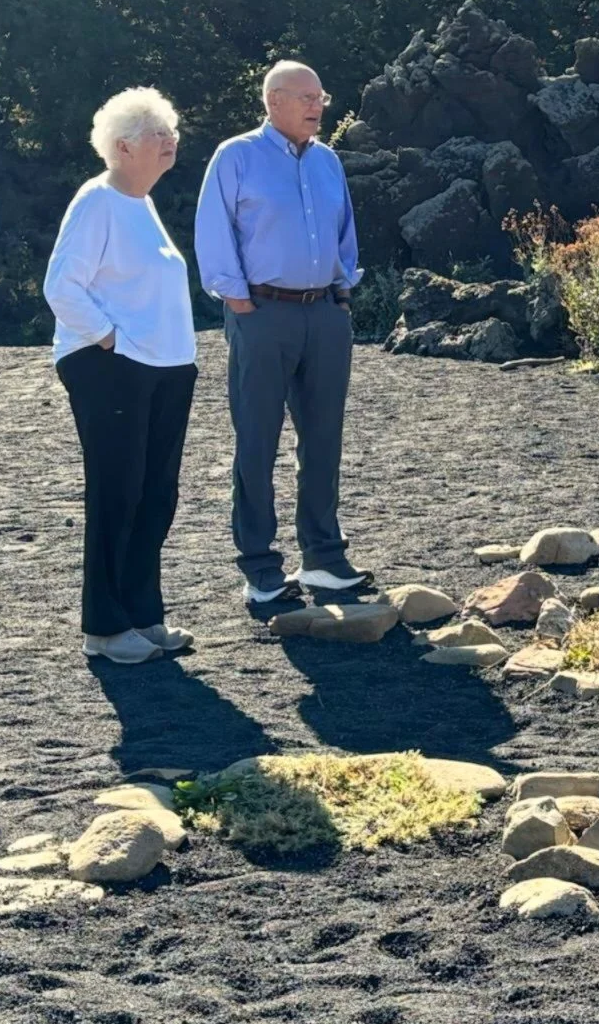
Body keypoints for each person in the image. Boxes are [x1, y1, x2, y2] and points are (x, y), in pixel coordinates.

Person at [194, 60, 366, 606]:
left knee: (324, 439)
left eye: (321, 97)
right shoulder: (236, 156)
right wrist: (238, 298)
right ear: (273, 100)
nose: (318, 107)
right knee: (257, 440)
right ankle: (261, 568)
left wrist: (342, 292)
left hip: (324, 315)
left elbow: (344, 233)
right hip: (261, 313)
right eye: (306, 98)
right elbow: (212, 229)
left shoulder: (329, 161)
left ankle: (323, 558)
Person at [43, 88, 200, 666]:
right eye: (157, 132)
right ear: (123, 146)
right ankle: (105, 629)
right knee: (119, 491)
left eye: (170, 130)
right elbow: (61, 287)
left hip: (163, 368)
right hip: (112, 368)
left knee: (156, 494)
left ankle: (141, 615)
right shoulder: (98, 200)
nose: (170, 141)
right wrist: (113, 340)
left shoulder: (141, 202)